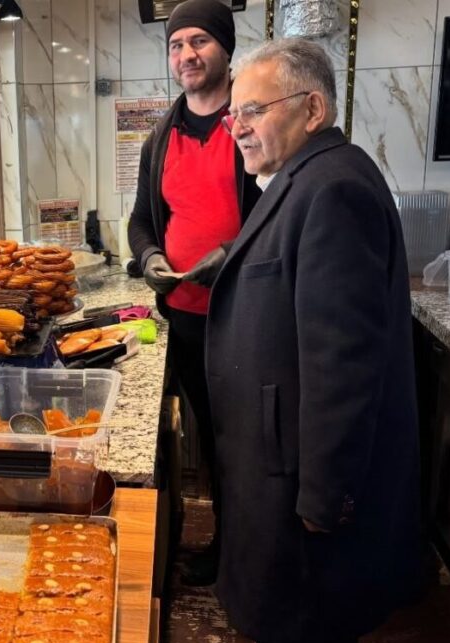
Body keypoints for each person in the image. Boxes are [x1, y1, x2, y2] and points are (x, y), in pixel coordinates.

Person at [206, 38, 422, 643]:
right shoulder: (301, 177)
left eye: (253, 111)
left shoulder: (334, 190)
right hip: (280, 463)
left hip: (301, 483)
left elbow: (342, 364)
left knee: (306, 630)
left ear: (313, 109)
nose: (237, 128)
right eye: (233, 114)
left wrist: (325, 498)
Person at [126, 0, 261, 586]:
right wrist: (151, 256)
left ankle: (248, 554)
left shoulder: (251, 124)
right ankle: (225, 543)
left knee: (247, 445)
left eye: (199, 41)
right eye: (177, 44)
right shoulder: (163, 134)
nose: (186, 54)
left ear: (226, 48)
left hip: (245, 319)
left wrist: (229, 257)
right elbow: (140, 221)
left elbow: (282, 216)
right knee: (208, 439)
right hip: (183, 318)